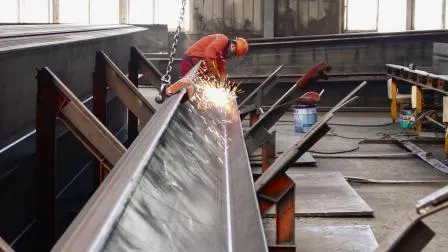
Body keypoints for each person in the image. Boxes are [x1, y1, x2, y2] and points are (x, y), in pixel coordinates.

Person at [179, 34, 249, 80]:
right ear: (233, 42)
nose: (232, 48)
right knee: (187, 90)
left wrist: (221, 81)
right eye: (234, 45)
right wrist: (215, 72)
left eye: (234, 50)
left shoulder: (222, 54)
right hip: (190, 61)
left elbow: (221, 67)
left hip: (198, 67)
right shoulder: (223, 39)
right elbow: (209, 53)